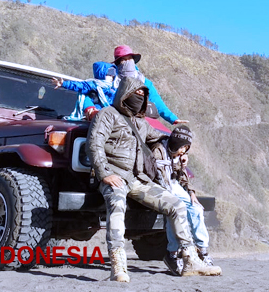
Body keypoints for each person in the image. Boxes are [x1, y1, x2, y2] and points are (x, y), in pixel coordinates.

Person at [86, 76, 221, 282]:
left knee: (176, 204)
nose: (139, 99)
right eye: (136, 95)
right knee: (117, 204)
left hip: (137, 179)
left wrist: (181, 150)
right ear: (124, 94)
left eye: (143, 96)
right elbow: (94, 144)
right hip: (115, 175)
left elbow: (163, 138)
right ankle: (118, 264)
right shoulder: (107, 114)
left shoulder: (141, 123)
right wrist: (105, 173)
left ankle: (190, 260)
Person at [151, 125, 215, 275]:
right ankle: (172, 253)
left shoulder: (180, 156)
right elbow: (157, 176)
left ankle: (202, 251)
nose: (183, 151)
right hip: (161, 186)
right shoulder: (159, 151)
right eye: (182, 147)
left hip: (175, 186)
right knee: (175, 210)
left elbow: (182, 177)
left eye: (186, 148)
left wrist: (191, 192)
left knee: (196, 209)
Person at [112, 45, 189, 125]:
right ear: (118, 63)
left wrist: (172, 118)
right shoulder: (112, 80)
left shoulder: (144, 82)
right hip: (117, 120)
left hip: (138, 122)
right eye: (124, 60)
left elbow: (157, 102)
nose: (128, 62)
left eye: (130, 59)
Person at [52, 62, 117, 121]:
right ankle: (94, 115)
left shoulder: (113, 89)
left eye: (113, 75)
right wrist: (64, 84)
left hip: (109, 114)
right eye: (109, 74)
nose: (112, 77)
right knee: (86, 97)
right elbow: (79, 86)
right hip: (97, 114)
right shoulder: (93, 84)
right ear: (102, 74)